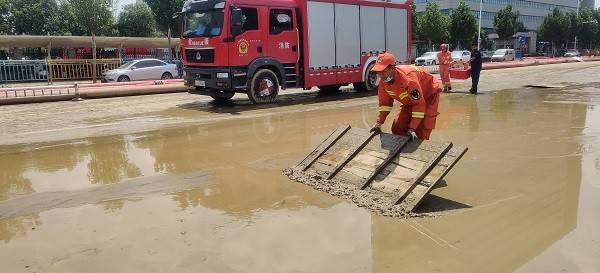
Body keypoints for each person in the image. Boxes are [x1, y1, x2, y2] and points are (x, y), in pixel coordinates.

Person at [369, 52, 441, 141]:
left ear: (392, 68)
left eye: (383, 71)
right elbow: (385, 105)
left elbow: (419, 104)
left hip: (428, 96)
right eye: (378, 72)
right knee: (398, 127)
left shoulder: (408, 79)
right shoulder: (383, 83)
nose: (381, 75)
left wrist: (412, 128)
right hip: (409, 100)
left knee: (420, 131)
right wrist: (379, 123)